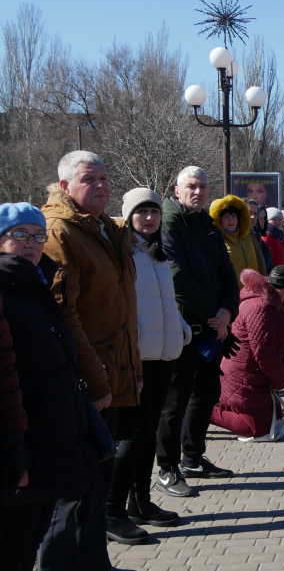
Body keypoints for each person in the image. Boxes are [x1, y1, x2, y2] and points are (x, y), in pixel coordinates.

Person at [40, 150, 142, 570]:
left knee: (97, 482)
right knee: (75, 488)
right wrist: (96, 381)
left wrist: (131, 372)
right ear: (65, 186)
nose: (100, 185)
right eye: (89, 179)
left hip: (116, 371)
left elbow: (121, 310)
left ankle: (95, 561)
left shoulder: (104, 227)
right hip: (88, 381)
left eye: (104, 178)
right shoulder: (58, 232)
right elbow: (67, 316)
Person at [0, 202, 103, 571]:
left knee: (30, 542)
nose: (31, 243)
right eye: (18, 235)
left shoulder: (38, 284)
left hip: (50, 436)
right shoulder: (7, 290)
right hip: (24, 441)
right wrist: (13, 448)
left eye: (38, 236)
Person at [105, 189, 191, 545]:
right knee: (134, 434)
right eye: (142, 212)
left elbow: (165, 300)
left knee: (149, 431)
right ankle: (111, 511)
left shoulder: (157, 253)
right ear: (128, 216)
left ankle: (141, 502)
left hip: (164, 353)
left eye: (154, 212)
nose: (150, 219)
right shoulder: (121, 251)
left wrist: (181, 329)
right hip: (135, 357)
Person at [155, 166, 239, 500]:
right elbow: (175, 275)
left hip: (212, 326)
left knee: (206, 392)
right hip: (183, 326)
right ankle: (167, 468)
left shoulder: (207, 223)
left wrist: (227, 311)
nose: (198, 192)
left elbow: (226, 271)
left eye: (203, 186)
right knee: (175, 399)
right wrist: (213, 314)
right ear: (177, 190)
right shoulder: (170, 220)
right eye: (191, 186)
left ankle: (193, 457)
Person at [211, 267, 284, 442]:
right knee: (255, 429)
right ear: (278, 288)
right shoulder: (262, 308)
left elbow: (276, 347)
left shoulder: (272, 305)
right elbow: (264, 353)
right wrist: (280, 380)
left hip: (253, 376)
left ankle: (217, 404)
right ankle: (199, 410)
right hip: (244, 376)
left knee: (273, 420)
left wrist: (278, 379)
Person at [211, 195, 264, 287]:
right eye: (226, 216)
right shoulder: (216, 241)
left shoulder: (247, 238)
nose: (231, 220)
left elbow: (255, 267)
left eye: (233, 216)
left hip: (249, 293)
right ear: (219, 219)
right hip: (228, 294)